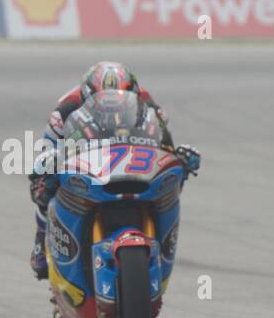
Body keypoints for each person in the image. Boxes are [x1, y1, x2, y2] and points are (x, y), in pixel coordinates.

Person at [26, 61, 200, 279]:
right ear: (87, 96)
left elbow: (164, 143)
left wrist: (180, 157)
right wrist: (47, 165)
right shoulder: (65, 109)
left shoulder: (149, 104)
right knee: (44, 188)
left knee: (172, 175)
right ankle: (40, 241)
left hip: (129, 156)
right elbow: (47, 147)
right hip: (86, 157)